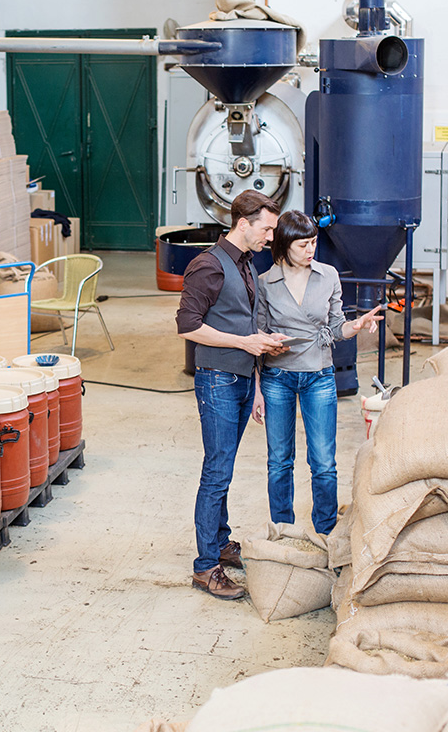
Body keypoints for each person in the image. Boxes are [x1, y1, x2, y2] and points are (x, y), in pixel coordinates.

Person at [177, 190, 289, 600]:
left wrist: (257, 380)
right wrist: (245, 345)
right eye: (267, 229)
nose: (270, 237)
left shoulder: (245, 262)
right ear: (244, 224)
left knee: (224, 466)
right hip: (217, 380)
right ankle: (206, 567)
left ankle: (221, 543)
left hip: (242, 380)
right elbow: (188, 325)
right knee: (217, 470)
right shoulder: (207, 265)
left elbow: (244, 326)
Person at [251, 210, 383, 535]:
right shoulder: (265, 283)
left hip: (319, 376)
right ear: (283, 246)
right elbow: (258, 335)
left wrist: (358, 325)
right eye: (302, 245)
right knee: (280, 461)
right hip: (277, 378)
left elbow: (337, 326)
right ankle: (283, 532)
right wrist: (261, 374)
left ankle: (326, 533)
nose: (310, 250)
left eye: (313, 243)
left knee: (324, 462)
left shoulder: (328, 276)